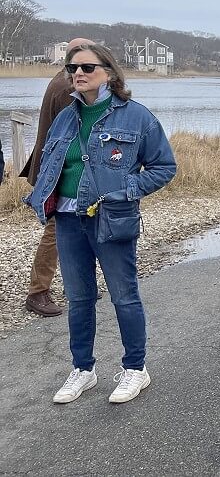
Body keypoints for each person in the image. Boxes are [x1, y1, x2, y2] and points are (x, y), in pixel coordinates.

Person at [25, 44, 176, 405]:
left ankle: (135, 368)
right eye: (71, 68)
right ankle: (83, 369)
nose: (77, 74)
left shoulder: (137, 117)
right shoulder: (65, 117)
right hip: (66, 218)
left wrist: (127, 189)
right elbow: (51, 164)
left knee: (124, 296)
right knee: (79, 299)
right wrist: (40, 196)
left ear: (108, 72)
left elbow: (164, 167)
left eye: (87, 67)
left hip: (111, 217)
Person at [21, 38, 95, 318]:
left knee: (74, 226)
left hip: (54, 168)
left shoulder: (61, 78)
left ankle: (76, 284)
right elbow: (78, 132)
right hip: (56, 172)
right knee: (57, 230)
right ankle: (37, 292)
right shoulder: (68, 87)